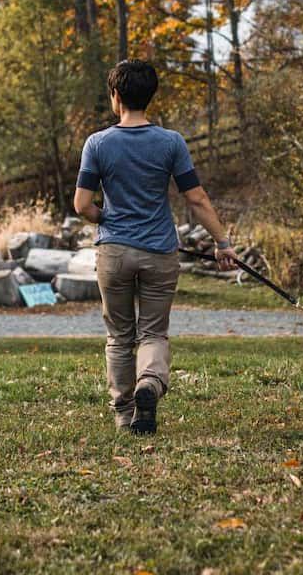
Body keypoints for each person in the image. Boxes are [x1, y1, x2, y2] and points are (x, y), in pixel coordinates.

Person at [73, 59, 234, 435]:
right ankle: (150, 383)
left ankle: (124, 413)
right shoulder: (171, 142)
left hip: (113, 253)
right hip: (160, 253)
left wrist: (105, 218)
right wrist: (222, 242)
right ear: (150, 97)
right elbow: (196, 198)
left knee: (119, 335)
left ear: (116, 97)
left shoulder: (97, 144)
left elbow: (81, 205)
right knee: (153, 333)